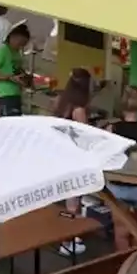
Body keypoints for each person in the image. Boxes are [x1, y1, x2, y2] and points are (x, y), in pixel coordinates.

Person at [106, 86, 137, 253]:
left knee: (121, 232)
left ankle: (123, 266)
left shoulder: (112, 130)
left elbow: (106, 156)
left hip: (119, 185)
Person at [55, 67, 94, 256]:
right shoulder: (79, 110)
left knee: (69, 201)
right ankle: (67, 240)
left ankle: (68, 237)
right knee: (73, 203)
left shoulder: (62, 102)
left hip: (63, 156)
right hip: (75, 159)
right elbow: (85, 135)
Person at [0, 23, 32, 117]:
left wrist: (25, 78)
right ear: (12, 37)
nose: (20, 47)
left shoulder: (16, 53)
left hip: (16, 92)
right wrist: (9, 78)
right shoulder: (3, 51)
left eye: (23, 45)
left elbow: (16, 68)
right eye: (19, 43)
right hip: (5, 93)